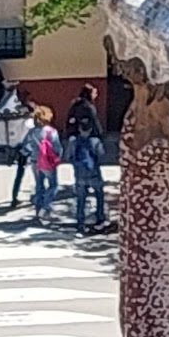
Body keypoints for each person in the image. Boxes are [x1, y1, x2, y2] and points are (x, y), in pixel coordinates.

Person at [64, 83, 107, 234]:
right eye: (94, 92)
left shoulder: (75, 105)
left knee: (81, 197)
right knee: (99, 193)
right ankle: (100, 218)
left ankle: (80, 222)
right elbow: (96, 124)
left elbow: (68, 156)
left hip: (79, 170)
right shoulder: (89, 107)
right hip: (93, 170)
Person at [9, 88, 36, 208]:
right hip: (29, 148)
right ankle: (38, 194)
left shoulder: (15, 113)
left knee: (19, 174)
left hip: (18, 146)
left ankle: (14, 197)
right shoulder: (29, 120)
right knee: (37, 174)